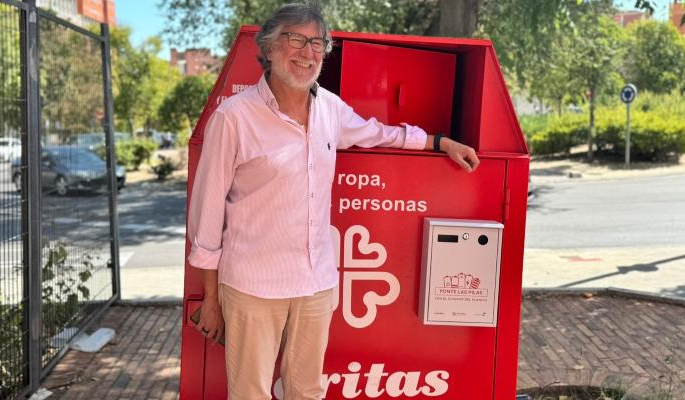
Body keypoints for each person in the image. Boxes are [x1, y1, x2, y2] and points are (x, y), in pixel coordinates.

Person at [187, 3, 480, 399]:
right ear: (269, 48)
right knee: (249, 393)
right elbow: (206, 214)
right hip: (253, 285)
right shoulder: (234, 118)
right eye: (295, 39)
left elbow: (379, 133)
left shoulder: (330, 108)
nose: (307, 52)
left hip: (315, 283)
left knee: (307, 391)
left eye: (317, 43)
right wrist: (211, 300)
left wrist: (440, 142)